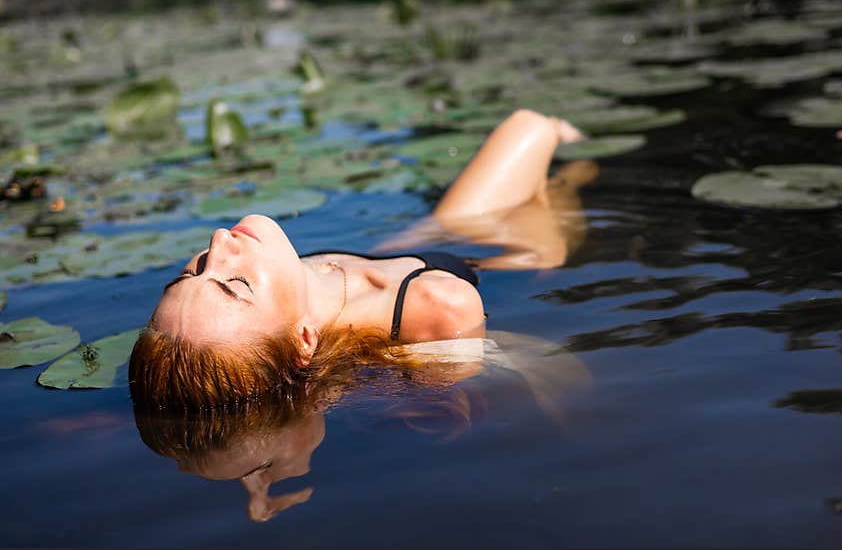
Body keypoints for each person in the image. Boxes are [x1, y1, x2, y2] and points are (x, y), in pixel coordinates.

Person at [128, 109, 597, 410]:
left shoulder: (253, 326)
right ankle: (576, 174)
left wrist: (259, 475)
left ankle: (568, 176)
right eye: (235, 284)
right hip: (510, 254)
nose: (216, 243)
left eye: (188, 274)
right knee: (535, 129)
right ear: (304, 340)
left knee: (539, 164)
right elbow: (546, 369)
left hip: (412, 243)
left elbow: (200, 356)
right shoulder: (438, 307)